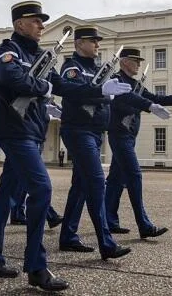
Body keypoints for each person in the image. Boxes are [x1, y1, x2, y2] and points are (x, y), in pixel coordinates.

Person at [0, 1, 131, 291]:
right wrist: (43, 88)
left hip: (31, 131)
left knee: (7, 196)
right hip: (15, 131)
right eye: (35, 21)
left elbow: (64, 86)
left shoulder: (38, 55)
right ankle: (36, 266)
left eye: (41, 21)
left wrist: (100, 90)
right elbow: (12, 79)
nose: (41, 25)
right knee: (42, 189)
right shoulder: (8, 53)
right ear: (19, 24)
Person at [104, 47, 172, 237]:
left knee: (116, 179)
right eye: (135, 61)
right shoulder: (116, 80)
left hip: (129, 135)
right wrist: (146, 105)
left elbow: (155, 98)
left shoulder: (134, 83)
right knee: (134, 176)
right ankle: (144, 225)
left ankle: (109, 220)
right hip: (119, 133)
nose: (139, 64)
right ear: (124, 62)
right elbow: (122, 102)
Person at [57, 26, 135, 256]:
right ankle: (106, 243)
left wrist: (150, 104)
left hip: (94, 132)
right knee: (97, 182)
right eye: (93, 41)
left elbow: (116, 95)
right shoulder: (72, 67)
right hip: (78, 130)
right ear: (79, 43)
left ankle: (68, 236)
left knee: (80, 186)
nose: (97, 45)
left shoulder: (101, 69)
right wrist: (101, 89)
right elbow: (70, 90)